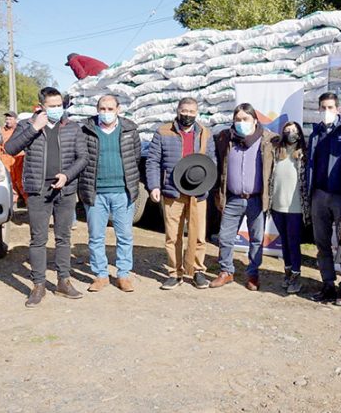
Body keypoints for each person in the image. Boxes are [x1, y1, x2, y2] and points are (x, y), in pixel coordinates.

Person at [5, 87, 88, 308]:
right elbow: (10, 148)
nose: (57, 110)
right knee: (38, 239)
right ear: (41, 106)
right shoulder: (26, 125)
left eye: (60, 105)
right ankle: (38, 285)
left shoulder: (72, 127)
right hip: (37, 190)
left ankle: (63, 281)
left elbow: (83, 158)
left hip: (65, 189)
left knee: (63, 238)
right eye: (52, 106)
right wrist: (34, 128)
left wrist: (67, 175)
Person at [146, 97, 216, 290]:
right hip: (172, 191)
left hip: (197, 192)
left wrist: (206, 184)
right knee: (172, 236)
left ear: (197, 113)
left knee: (199, 234)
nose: (187, 115)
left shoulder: (204, 134)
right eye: (184, 111)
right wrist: (154, 186)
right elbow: (153, 161)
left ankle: (197, 271)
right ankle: (174, 272)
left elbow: (212, 161)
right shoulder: (163, 132)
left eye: (191, 112)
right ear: (177, 110)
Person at [78, 95, 141, 293]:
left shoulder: (129, 130)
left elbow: (135, 157)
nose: (106, 112)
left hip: (122, 192)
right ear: (97, 109)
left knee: (124, 236)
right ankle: (100, 275)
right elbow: (81, 157)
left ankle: (123, 275)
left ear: (118, 109)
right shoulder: (86, 131)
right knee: (96, 236)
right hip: (95, 193)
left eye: (110, 108)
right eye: (102, 109)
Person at [211, 103, 276, 291]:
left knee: (256, 239)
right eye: (237, 119)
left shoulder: (268, 140)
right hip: (233, 198)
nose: (241, 123)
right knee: (225, 237)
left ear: (255, 120)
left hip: (256, 198)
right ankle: (226, 271)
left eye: (245, 119)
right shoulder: (226, 138)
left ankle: (253, 274)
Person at [306, 92, 341, 305]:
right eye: (323, 107)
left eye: (330, 107)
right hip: (319, 195)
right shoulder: (315, 132)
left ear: (338, 109)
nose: (327, 111)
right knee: (322, 242)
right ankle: (327, 284)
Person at [268, 121, 310, 294]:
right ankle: (287, 271)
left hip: (295, 207)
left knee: (293, 242)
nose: (290, 133)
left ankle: (296, 275)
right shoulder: (277, 152)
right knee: (284, 241)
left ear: (299, 133)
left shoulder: (304, 154)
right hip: (278, 205)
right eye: (287, 131)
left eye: (294, 131)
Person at [0, 111, 27, 207]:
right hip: (6, 160)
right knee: (10, 181)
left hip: (18, 159)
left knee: (21, 180)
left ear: (15, 120)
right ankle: (13, 203)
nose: (7, 121)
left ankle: (27, 202)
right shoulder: (1, 131)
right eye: (6, 119)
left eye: (10, 119)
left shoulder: (20, 129)